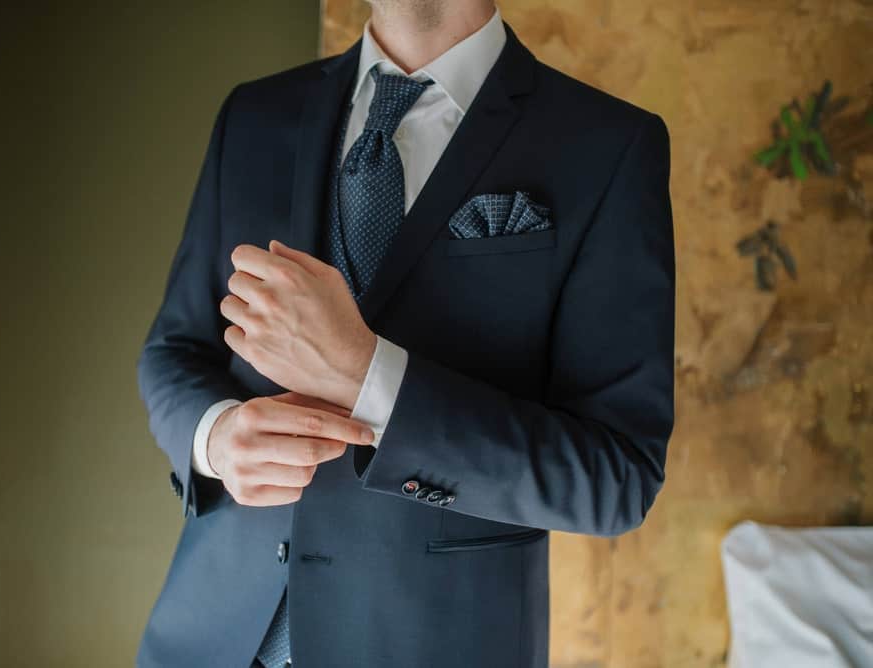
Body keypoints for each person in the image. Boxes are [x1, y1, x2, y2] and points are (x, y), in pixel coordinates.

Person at [136, 0, 675, 665]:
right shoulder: (252, 116)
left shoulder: (608, 146)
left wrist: (367, 376)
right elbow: (174, 350)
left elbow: (616, 477)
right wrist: (214, 437)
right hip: (209, 639)